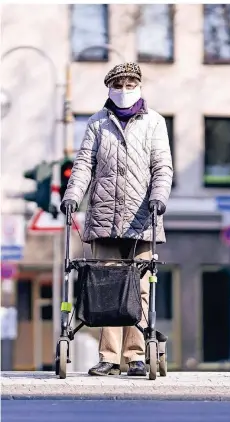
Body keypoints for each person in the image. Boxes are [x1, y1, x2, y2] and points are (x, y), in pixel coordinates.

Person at [60, 62, 173, 377]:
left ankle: (135, 355)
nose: (124, 90)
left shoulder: (154, 122)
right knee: (106, 288)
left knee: (141, 288)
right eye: (118, 84)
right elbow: (84, 164)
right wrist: (72, 196)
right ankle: (109, 357)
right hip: (105, 219)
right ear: (109, 88)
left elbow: (162, 167)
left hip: (142, 219)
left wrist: (158, 198)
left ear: (138, 86)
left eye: (129, 84)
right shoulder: (97, 123)